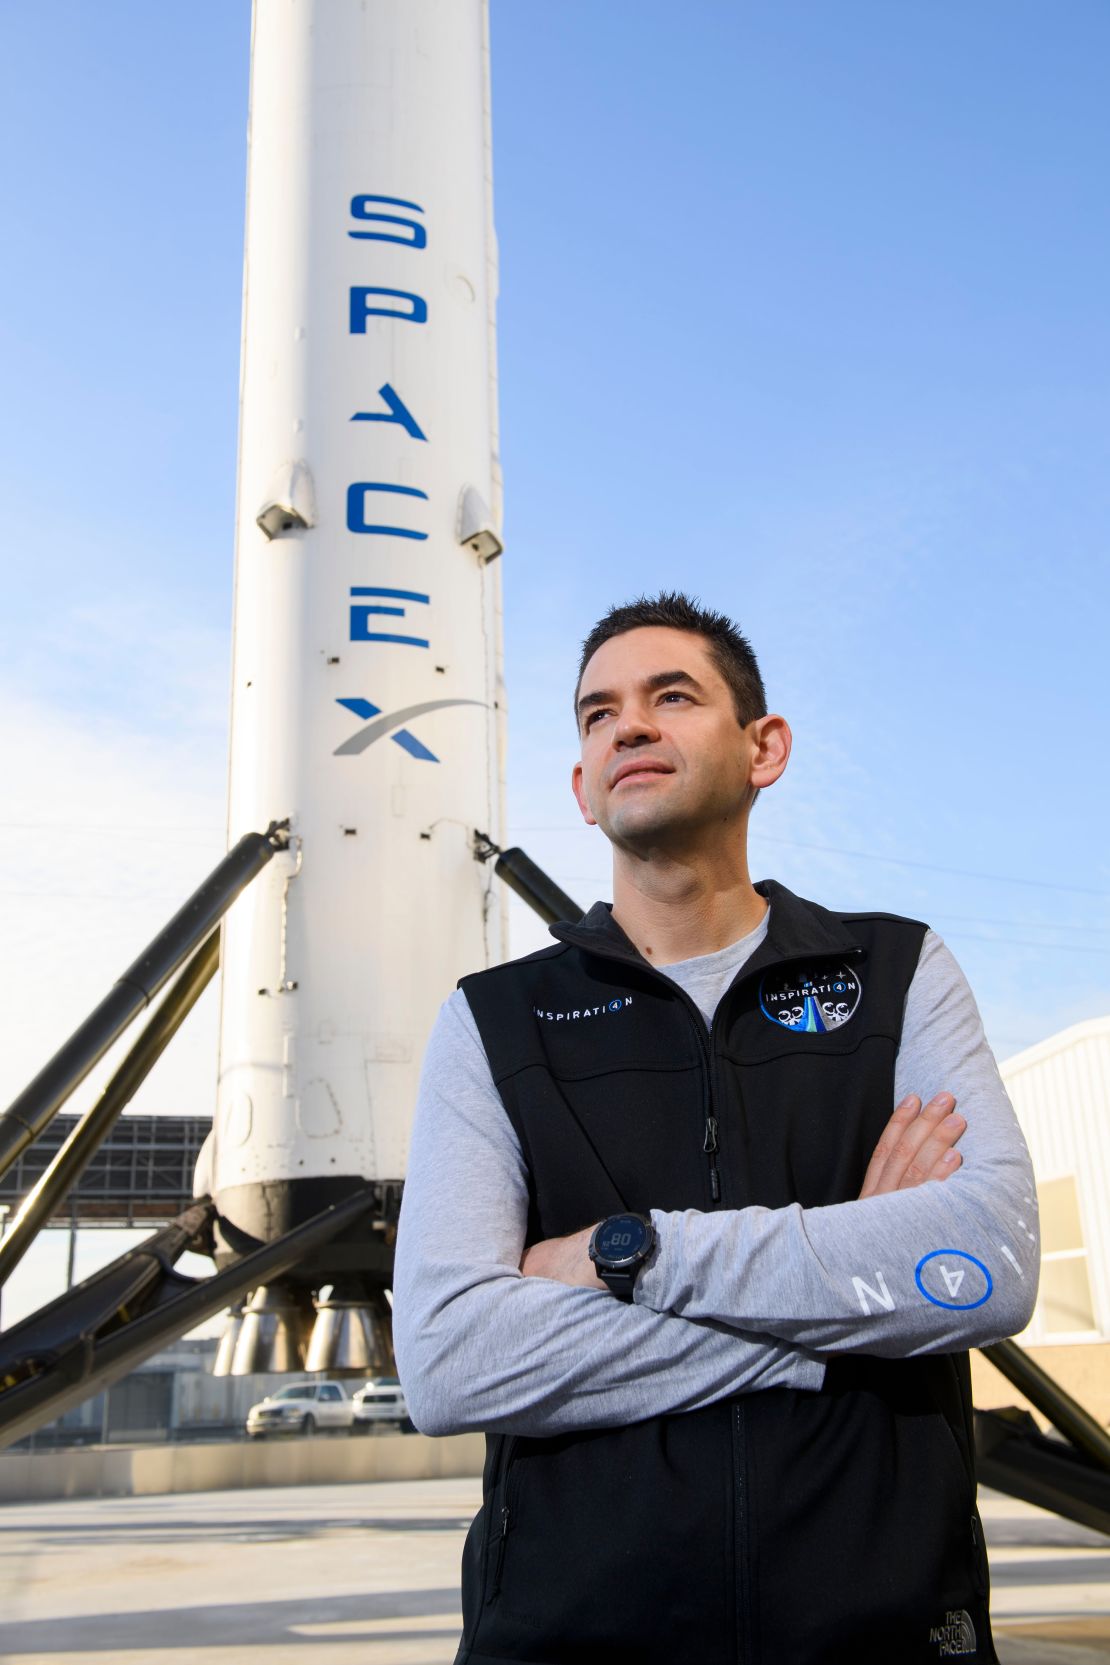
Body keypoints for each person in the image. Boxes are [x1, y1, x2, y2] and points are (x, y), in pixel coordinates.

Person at [393, 591, 1039, 1665]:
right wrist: (846, 1290)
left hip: (885, 1633)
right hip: (568, 1639)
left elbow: (987, 1263)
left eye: (672, 696)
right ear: (581, 787)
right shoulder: (494, 1021)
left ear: (763, 747)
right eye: (598, 715)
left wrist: (626, 1256)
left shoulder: (895, 972)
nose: (627, 727)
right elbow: (451, 1362)